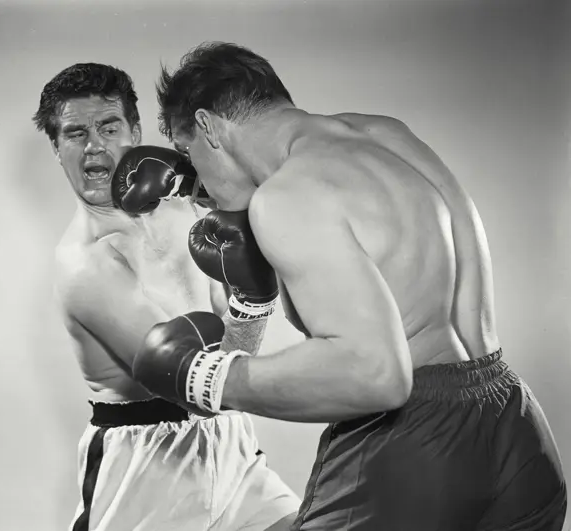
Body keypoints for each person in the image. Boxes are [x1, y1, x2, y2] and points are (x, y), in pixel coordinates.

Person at [129, 43, 568, 530]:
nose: (196, 176)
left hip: (414, 450)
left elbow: (376, 375)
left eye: (188, 151)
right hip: (516, 428)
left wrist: (205, 376)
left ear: (208, 125)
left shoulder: (287, 195)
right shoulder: (384, 134)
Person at [32, 62, 300, 531]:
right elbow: (193, 384)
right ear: (56, 149)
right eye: (75, 134)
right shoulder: (87, 264)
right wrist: (252, 301)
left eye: (108, 126)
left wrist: (248, 294)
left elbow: (234, 348)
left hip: (229, 446)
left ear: (134, 132)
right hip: (147, 469)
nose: (94, 145)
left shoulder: (186, 209)